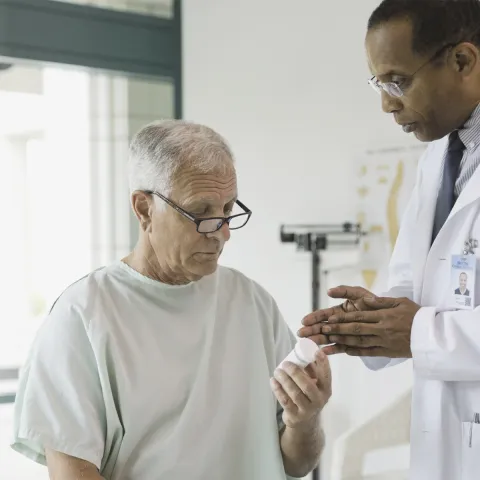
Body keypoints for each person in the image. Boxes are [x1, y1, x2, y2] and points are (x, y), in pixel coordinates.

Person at [11, 120, 331, 480]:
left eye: (228, 209)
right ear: (144, 209)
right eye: (201, 212)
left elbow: (296, 464)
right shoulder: (83, 316)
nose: (222, 233)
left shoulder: (252, 304)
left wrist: (305, 420)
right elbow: (73, 474)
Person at [299, 1, 480, 479]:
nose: (386, 103)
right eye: (378, 83)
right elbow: (415, 287)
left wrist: (418, 331)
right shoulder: (439, 156)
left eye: (397, 81)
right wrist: (374, 320)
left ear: (463, 61)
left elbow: (426, 322)